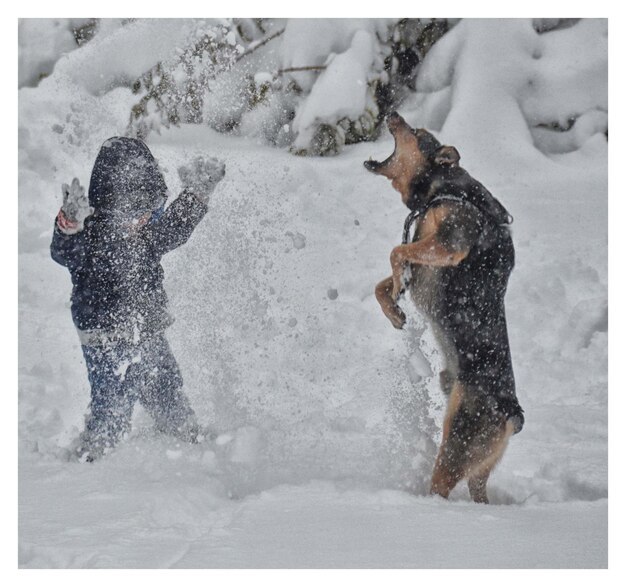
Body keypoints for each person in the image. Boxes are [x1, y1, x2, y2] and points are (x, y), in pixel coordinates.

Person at [50, 136, 225, 461]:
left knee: (166, 388)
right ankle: (92, 458)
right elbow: (62, 252)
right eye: (135, 213)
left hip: (147, 331)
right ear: (110, 207)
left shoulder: (147, 233)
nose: (144, 220)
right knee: (112, 403)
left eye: (150, 211)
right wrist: (69, 224)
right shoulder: (90, 235)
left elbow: (176, 227)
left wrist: (198, 194)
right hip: (104, 338)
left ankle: (187, 437)